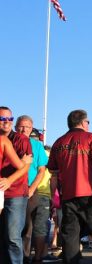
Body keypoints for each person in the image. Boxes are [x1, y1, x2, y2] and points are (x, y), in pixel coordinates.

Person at [47, 109, 92, 264]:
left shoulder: (58, 142)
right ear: (83, 122)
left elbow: (53, 175)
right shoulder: (91, 137)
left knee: (70, 236)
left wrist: (52, 197)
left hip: (68, 196)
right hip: (91, 194)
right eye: (88, 122)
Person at [15, 116, 52, 263]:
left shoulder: (37, 146)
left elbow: (42, 170)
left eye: (28, 127)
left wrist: (32, 188)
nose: (24, 130)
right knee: (20, 228)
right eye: (21, 126)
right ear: (15, 127)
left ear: (32, 129)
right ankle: (22, 257)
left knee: (37, 227)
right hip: (14, 190)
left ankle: (37, 258)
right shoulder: (10, 142)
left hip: (33, 191)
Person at [0, 106, 33, 264]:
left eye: (9, 119)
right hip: (0, 192)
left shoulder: (21, 140)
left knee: (13, 236)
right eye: (2, 119)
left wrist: (9, 180)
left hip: (15, 193)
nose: (7, 122)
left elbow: (25, 166)